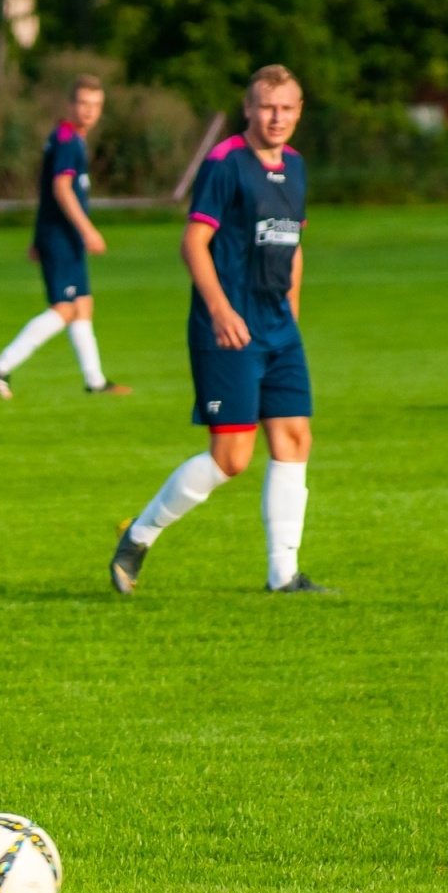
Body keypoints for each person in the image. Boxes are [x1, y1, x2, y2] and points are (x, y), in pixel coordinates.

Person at [110, 65, 330, 595]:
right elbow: (193, 242)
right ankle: (138, 537)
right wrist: (220, 309)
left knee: (295, 438)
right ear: (249, 109)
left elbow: (292, 247)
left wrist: (291, 319)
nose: (277, 118)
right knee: (232, 456)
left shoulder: (296, 167)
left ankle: (284, 576)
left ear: (299, 112)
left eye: (287, 108)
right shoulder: (225, 163)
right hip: (227, 326)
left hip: (279, 328)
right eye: (267, 107)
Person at [0, 75, 130, 399]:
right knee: (64, 309)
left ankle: (95, 381)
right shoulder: (66, 139)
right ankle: (1, 365)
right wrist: (87, 229)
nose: (90, 111)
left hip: (60, 236)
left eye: (96, 105)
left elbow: (46, 196)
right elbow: (60, 189)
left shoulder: (72, 138)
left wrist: (38, 237)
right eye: (84, 104)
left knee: (83, 305)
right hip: (62, 237)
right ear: (69, 105)